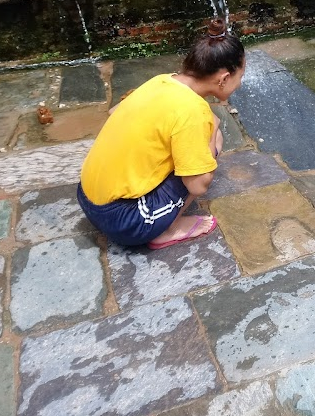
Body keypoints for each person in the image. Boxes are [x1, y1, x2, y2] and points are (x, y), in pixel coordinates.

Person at [77, 18, 246, 250]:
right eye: (240, 77)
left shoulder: (163, 81)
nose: (240, 84)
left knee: (185, 147)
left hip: (86, 195)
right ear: (224, 78)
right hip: (124, 221)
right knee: (212, 143)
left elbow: (114, 111)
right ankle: (168, 229)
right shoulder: (193, 111)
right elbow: (198, 186)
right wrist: (213, 125)